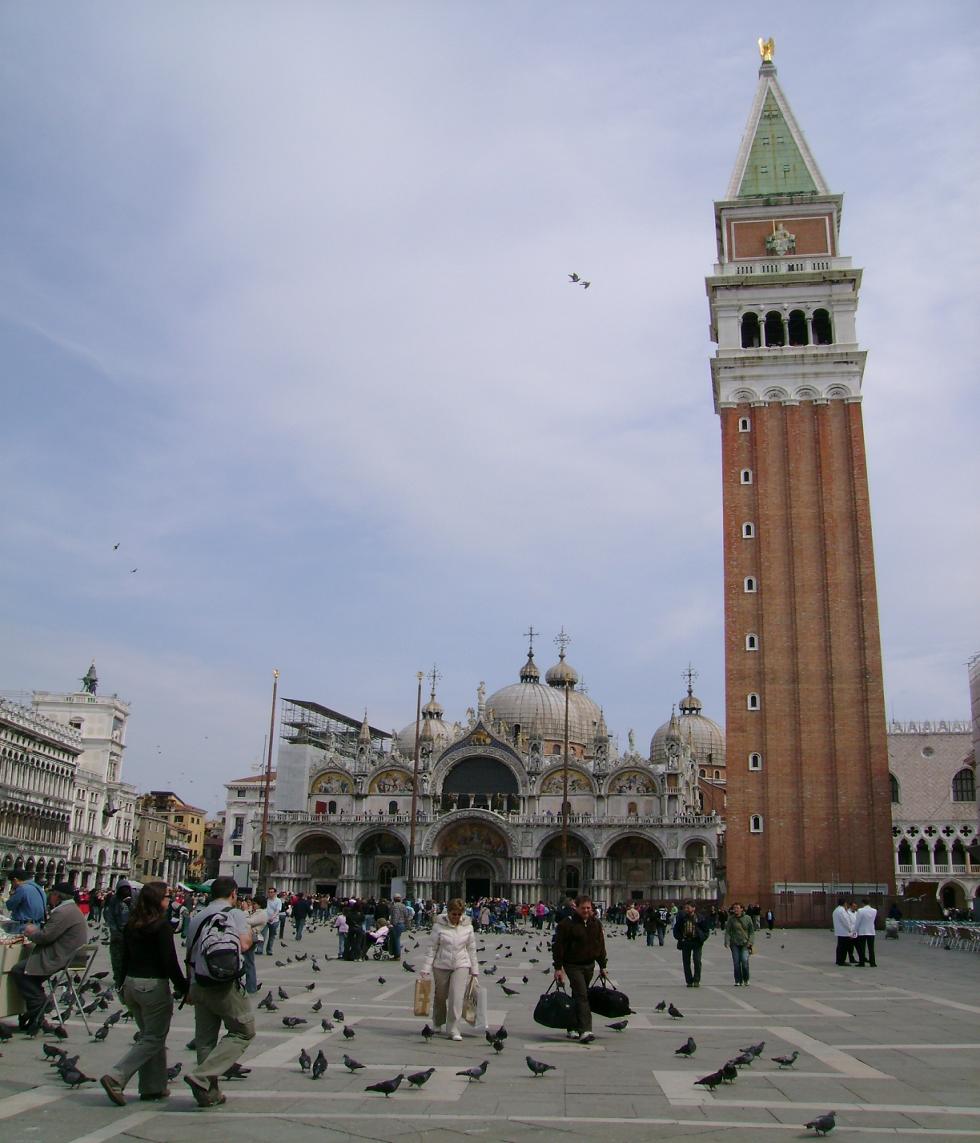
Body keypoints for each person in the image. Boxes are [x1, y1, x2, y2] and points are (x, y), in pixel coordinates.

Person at [99, 882, 187, 1105]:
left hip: (131, 984)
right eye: (168, 896)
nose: (170, 900)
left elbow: (124, 956)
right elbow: (169, 960)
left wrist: (120, 983)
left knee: (150, 1035)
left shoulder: (132, 924)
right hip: (152, 986)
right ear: (158, 900)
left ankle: (153, 1087)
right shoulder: (161, 926)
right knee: (153, 1037)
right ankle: (116, 1076)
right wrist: (183, 987)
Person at [182, 877, 255, 1108]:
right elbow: (244, 945)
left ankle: (208, 1095)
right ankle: (202, 1076)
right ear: (234, 893)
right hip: (224, 985)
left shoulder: (197, 917)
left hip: (198, 982)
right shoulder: (234, 914)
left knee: (205, 1041)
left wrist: (189, 986)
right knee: (243, 1032)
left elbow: (189, 953)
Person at [11, 882, 88, 1034]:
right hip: (71, 957)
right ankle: (37, 1011)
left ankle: (39, 1008)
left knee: (19, 971)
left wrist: (31, 932)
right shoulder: (73, 909)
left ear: (57, 896)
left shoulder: (63, 912)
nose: (49, 897)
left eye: (51, 894)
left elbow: (46, 936)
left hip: (60, 957)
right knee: (32, 976)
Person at [419, 897, 479, 1041]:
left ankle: (454, 1028)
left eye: (459, 914)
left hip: (461, 964)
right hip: (441, 965)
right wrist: (426, 968)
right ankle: (438, 1021)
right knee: (440, 996)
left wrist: (475, 969)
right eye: (454, 914)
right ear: (448, 912)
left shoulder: (468, 927)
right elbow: (432, 948)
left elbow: (471, 949)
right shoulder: (438, 926)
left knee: (456, 997)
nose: (456, 917)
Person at [552, 894, 608, 1044]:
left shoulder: (595, 923)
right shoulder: (566, 924)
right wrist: (558, 968)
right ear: (575, 908)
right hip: (572, 965)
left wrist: (603, 966)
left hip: (589, 965)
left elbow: (600, 946)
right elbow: (558, 947)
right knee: (583, 995)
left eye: (588, 908)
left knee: (578, 995)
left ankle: (572, 1027)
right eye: (583, 908)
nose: (586, 910)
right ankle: (585, 1030)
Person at [673, 900, 710, 987]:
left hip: (697, 942)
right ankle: (689, 981)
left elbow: (706, 930)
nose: (686, 909)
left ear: (693, 908)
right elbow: (676, 929)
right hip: (686, 941)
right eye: (685, 907)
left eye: (688, 907)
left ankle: (696, 980)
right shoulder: (682, 918)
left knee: (697, 960)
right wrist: (680, 938)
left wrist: (702, 938)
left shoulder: (700, 918)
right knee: (686, 962)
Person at [104, 882, 134, 987]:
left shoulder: (134, 900)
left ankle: (126, 977)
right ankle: (118, 977)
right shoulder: (114, 900)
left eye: (127, 889)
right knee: (117, 958)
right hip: (117, 935)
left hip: (131, 935)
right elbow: (110, 916)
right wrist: (115, 931)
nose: (125, 891)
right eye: (123, 889)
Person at [3, 868, 47, 934]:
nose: (12, 885)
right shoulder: (39, 889)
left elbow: (10, 906)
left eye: (12, 882)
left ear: (15, 880)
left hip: (23, 927)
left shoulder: (22, 888)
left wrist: (11, 895)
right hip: (37, 926)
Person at [723, 902, 754, 986]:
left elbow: (751, 932)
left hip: (745, 943)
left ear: (742, 909)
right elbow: (728, 931)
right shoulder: (731, 919)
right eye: (734, 908)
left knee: (744, 960)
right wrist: (726, 941)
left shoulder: (748, 918)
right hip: (734, 943)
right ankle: (738, 980)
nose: (735, 909)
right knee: (736, 962)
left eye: (737, 908)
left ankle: (746, 979)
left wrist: (750, 942)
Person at [832, 898, 857, 966]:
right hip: (844, 932)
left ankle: (838, 960)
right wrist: (850, 929)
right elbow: (845, 921)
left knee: (839, 947)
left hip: (839, 931)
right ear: (844, 903)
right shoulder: (842, 911)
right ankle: (842, 961)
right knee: (843, 947)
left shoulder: (836, 910)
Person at [855, 898, 878, 967]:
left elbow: (857, 922)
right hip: (871, 931)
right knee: (871, 948)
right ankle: (872, 962)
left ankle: (862, 962)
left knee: (862, 948)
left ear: (863, 903)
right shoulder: (874, 910)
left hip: (862, 931)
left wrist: (854, 930)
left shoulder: (860, 910)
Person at [389, 895, 410, 960]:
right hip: (402, 924)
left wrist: (393, 924)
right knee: (397, 939)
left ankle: (397, 955)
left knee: (396, 940)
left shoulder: (395, 906)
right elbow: (406, 915)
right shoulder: (403, 905)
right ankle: (396, 955)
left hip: (397, 924)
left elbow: (396, 916)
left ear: (394, 899)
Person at [263, 887, 282, 955]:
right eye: (269, 892)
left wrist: (272, 917)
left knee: (272, 936)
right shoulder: (266, 900)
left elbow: (277, 910)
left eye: (272, 892)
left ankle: (269, 950)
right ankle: (259, 949)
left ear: (275, 893)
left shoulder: (278, 901)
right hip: (265, 920)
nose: (270, 894)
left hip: (274, 921)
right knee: (263, 935)